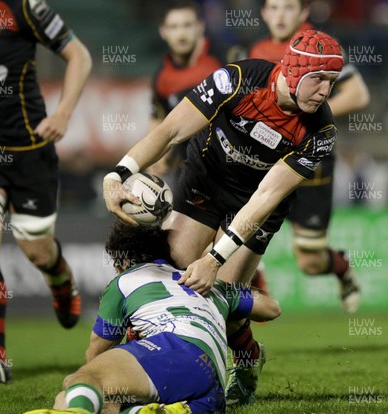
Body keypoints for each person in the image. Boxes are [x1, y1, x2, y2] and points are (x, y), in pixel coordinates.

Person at [104, 29, 344, 407]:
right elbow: (168, 131)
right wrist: (117, 174)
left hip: (257, 201)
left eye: (332, 82)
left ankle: (248, 356)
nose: (324, 91)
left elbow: (266, 196)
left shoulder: (322, 132)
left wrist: (215, 258)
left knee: (222, 301)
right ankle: (145, 361)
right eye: (318, 78)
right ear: (292, 70)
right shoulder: (236, 81)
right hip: (208, 178)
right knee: (175, 272)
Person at [0, 0, 92, 384]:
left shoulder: (21, 7)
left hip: (29, 151)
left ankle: (60, 278)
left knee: (37, 249)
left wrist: (63, 112)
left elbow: (78, 55)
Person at [24, 222, 281, 414]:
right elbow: (271, 309)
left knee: (82, 380)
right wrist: (233, 294)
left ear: (121, 263)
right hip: (212, 388)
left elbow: (95, 354)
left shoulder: (124, 282)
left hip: (174, 348)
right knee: (104, 403)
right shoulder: (206, 284)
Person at [250, 0, 370, 314]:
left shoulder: (319, 46)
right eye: (273, 8)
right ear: (264, 13)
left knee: (311, 262)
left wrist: (311, 114)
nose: (280, 15)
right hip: (266, 158)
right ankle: (248, 320)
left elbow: (359, 94)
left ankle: (343, 269)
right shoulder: (256, 51)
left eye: (288, 7)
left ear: (303, 13)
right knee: (242, 232)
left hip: (310, 160)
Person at [148, 0, 222, 187]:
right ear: (163, 31)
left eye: (187, 25)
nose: (181, 34)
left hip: (232, 170)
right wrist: (156, 157)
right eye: (174, 27)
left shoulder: (224, 59)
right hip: (188, 173)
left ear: (200, 27)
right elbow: (158, 118)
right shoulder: (162, 75)